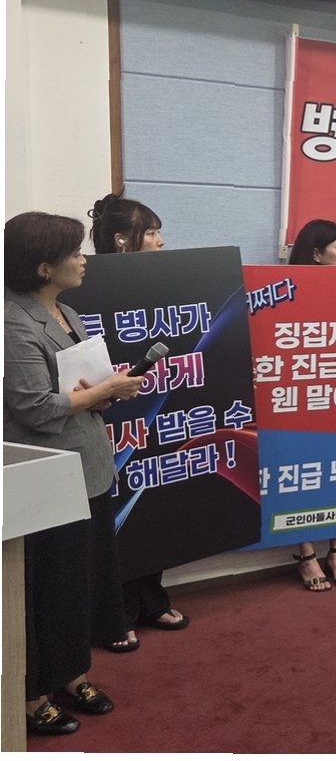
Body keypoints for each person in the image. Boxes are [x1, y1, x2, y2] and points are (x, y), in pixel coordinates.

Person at [4, 212, 145, 734]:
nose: (84, 260)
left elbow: (78, 388)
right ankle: (31, 693)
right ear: (44, 267)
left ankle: (70, 672)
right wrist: (104, 391)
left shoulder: (66, 312)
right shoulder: (13, 323)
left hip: (88, 467)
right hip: (47, 479)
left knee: (79, 582)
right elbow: (34, 407)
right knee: (47, 586)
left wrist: (105, 391)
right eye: (74, 253)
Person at [88, 192, 188, 652]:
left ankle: (152, 600)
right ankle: (120, 613)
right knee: (116, 515)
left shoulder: (162, 280)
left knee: (151, 506)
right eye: (151, 232)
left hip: (155, 409)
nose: (161, 241)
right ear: (121, 239)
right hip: (109, 414)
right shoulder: (88, 284)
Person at [286, 219, 336, 588]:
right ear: (316, 254)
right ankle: (306, 555)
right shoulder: (286, 292)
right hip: (301, 397)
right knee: (301, 472)